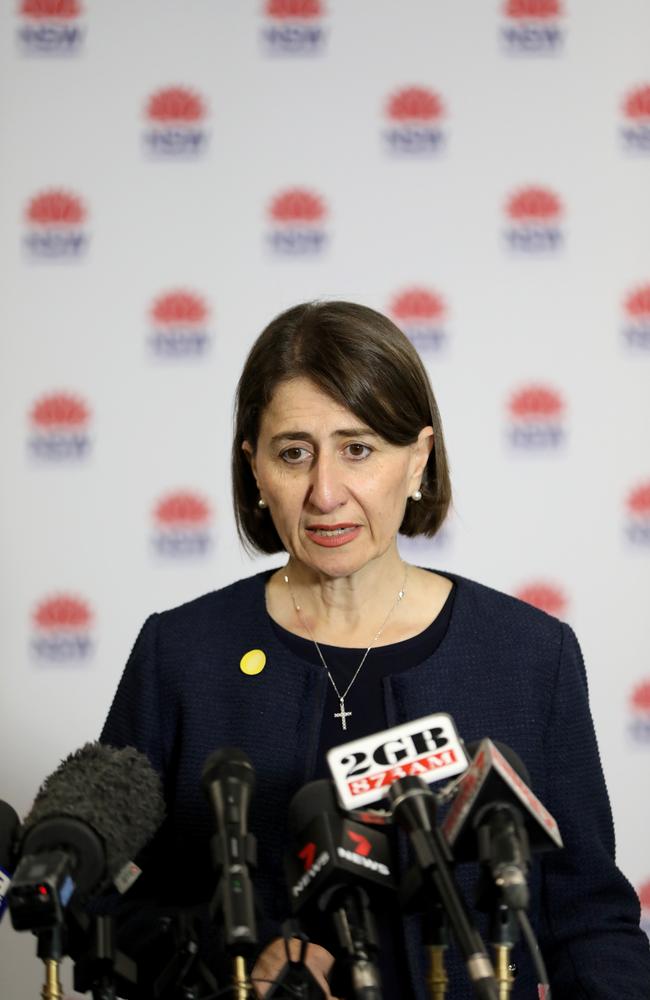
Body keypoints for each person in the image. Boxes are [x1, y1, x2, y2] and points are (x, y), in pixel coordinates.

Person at [101, 300, 650, 999]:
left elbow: (590, 922)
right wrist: (234, 959)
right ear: (255, 470)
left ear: (417, 457)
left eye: (358, 449)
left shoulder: (529, 657)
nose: (326, 492)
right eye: (293, 452)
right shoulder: (180, 656)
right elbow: (110, 903)